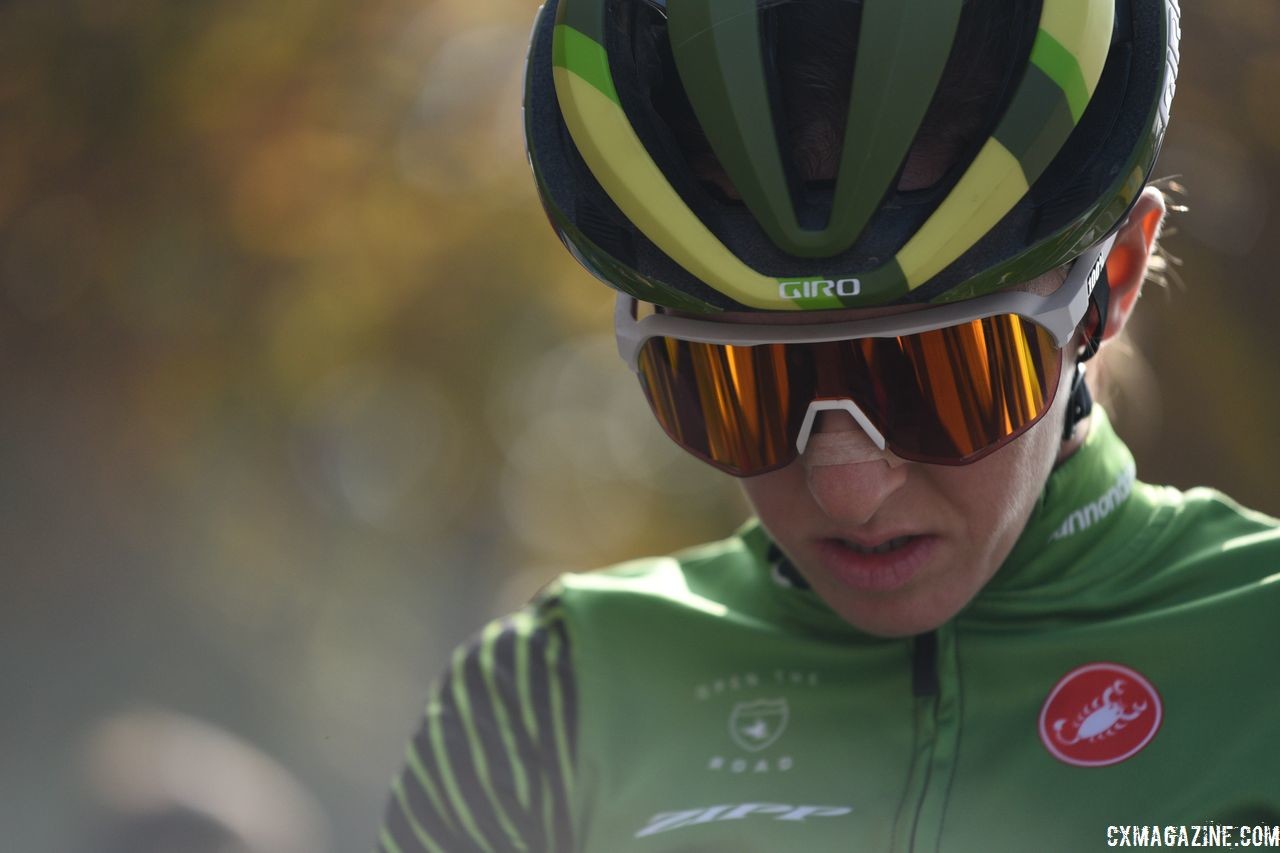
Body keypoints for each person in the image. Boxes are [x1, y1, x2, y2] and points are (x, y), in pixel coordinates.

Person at [381, 0, 1280, 850]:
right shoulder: (540, 704)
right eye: (739, 386)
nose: (846, 487)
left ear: (1112, 284)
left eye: (944, 378)